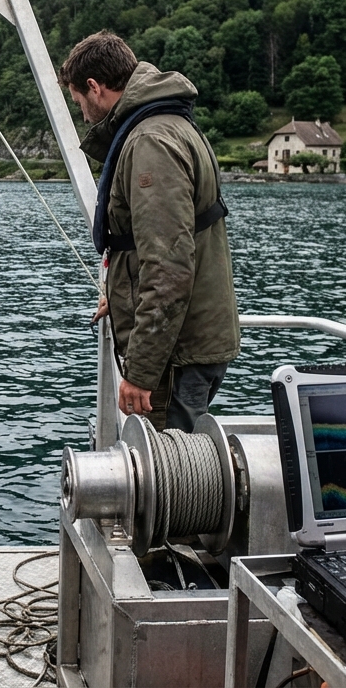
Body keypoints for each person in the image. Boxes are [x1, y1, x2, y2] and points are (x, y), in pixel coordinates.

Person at [60, 31, 240, 433]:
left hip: (177, 355)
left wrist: (140, 372)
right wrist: (122, 301)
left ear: (95, 87)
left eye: (80, 103)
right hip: (189, 342)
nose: (85, 116)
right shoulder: (169, 123)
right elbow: (155, 245)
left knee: (170, 482)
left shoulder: (150, 142)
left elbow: (168, 266)